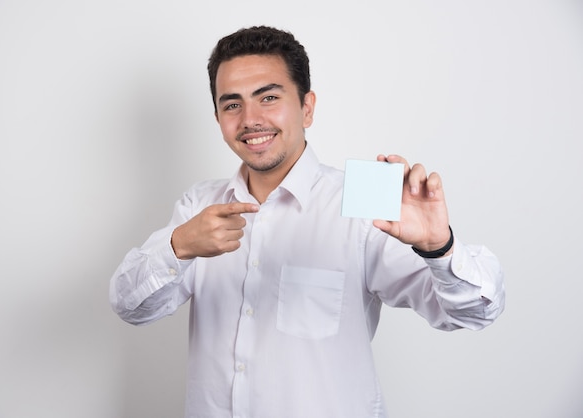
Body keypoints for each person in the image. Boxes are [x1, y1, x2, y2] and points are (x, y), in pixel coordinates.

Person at [110, 25, 505, 418]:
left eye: (268, 97)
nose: (250, 119)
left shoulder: (363, 203)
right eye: (232, 104)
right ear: (218, 118)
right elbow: (131, 307)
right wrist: (178, 247)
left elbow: (475, 312)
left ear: (307, 107)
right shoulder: (199, 206)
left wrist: (438, 247)